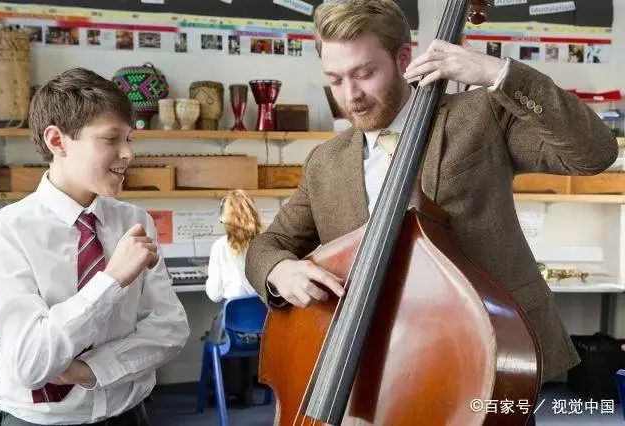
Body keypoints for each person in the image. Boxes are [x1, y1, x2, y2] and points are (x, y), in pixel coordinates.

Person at [246, 0, 617, 396]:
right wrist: (279, 272)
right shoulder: (325, 163)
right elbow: (268, 246)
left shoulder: (481, 116)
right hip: (383, 364)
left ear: (403, 57)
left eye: (364, 73)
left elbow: (594, 152)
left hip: (489, 350)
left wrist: (499, 74)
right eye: (335, 79)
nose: (350, 95)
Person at [0, 68, 190, 425]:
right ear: (57, 141)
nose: (128, 153)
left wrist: (88, 370)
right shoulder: (5, 232)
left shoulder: (134, 220)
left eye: (129, 139)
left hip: (129, 415)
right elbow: (30, 364)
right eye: (111, 139)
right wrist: (111, 280)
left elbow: (171, 329)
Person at [205, 189, 261, 407]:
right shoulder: (264, 243)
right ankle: (245, 391)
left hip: (234, 330)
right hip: (263, 330)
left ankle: (226, 391)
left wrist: (210, 275)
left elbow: (214, 294)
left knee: (218, 330)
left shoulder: (220, 247)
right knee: (245, 326)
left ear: (225, 218)